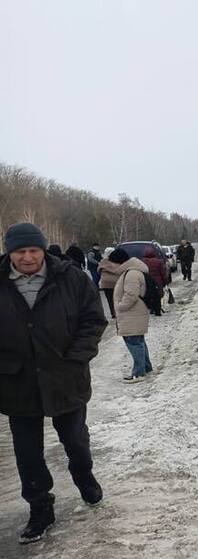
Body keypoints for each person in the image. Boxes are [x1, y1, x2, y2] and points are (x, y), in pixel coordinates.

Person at [0, 223, 107, 545]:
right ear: (10, 252)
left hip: (65, 377)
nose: (28, 257)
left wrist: (76, 358)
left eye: (34, 250)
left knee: (75, 440)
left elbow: (93, 320)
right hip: (16, 383)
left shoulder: (70, 277)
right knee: (27, 453)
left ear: (43, 249)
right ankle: (40, 508)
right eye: (20, 251)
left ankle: (84, 477)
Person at [109, 248, 153, 382]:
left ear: (119, 262)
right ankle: (146, 367)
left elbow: (131, 295)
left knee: (134, 342)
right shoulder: (131, 271)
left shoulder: (131, 273)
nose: (111, 266)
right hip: (135, 313)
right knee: (138, 341)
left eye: (112, 262)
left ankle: (139, 373)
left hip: (132, 313)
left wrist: (120, 306)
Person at [141, 246, 167, 316]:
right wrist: (164, 281)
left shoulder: (143, 262)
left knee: (149, 295)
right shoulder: (159, 262)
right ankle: (157, 311)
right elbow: (163, 272)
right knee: (157, 296)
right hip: (157, 281)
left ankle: (152, 308)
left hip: (147, 281)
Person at [97, 247, 121, 319]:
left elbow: (98, 270)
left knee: (109, 299)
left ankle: (112, 313)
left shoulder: (103, 261)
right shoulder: (117, 260)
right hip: (116, 282)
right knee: (116, 298)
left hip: (106, 283)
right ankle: (117, 312)